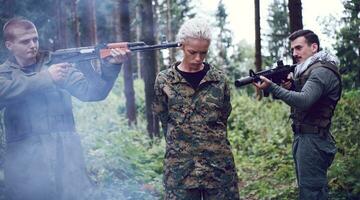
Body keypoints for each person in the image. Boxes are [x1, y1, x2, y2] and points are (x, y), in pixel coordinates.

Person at [0, 17, 130, 200]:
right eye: (25, 41)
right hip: (26, 166)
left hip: (66, 159)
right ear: (9, 45)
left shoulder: (57, 65)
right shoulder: (4, 73)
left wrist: (112, 66)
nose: (33, 45)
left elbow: (92, 93)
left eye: (35, 39)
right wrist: (47, 78)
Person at [153, 18, 239, 200]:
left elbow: (224, 116)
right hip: (180, 170)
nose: (198, 58)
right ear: (182, 46)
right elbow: (164, 118)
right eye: (192, 52)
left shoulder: (219, 80)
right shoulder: (164, 80)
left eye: (203, 53)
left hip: (218, 169)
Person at [254, 29, 342, 199]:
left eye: (299, 48)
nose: (295, 53)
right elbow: (308, 99)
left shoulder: (321, 72)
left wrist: (272, 86)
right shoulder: (308, 70)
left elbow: (304, 101)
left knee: (312, 193)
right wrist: (291, 87)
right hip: (305, 138)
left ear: (314, 47)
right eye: (293, 49)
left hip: (314, 140)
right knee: (309, 190)